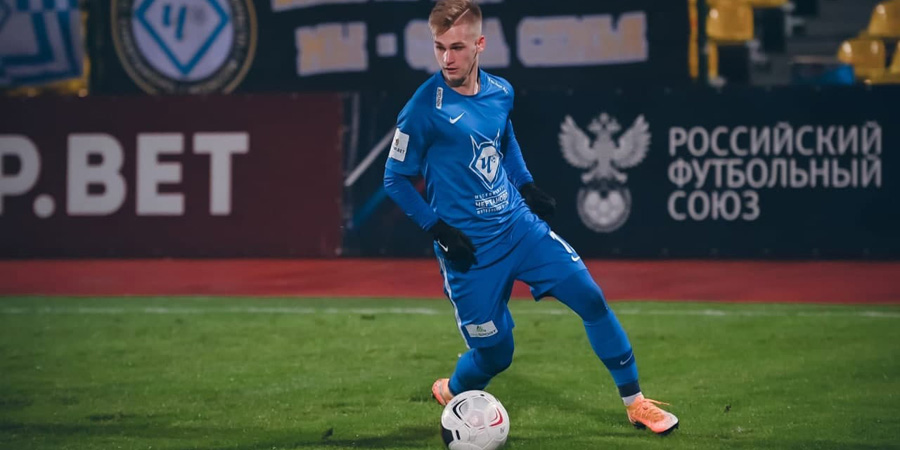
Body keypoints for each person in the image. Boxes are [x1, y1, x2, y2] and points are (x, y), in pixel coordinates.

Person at [382, 0, 679, 436]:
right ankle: (454, 389)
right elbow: (394, 179)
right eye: (439, 47)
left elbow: (503, 137)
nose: (447, 58)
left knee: (591, 299)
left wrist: (525, 184)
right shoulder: (423, 108)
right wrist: (438, 230)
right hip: (468, 250)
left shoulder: (501, 91)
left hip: (518, 227)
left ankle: (636, 403)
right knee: (496, 355)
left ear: (480, 45)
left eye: (458, 47)